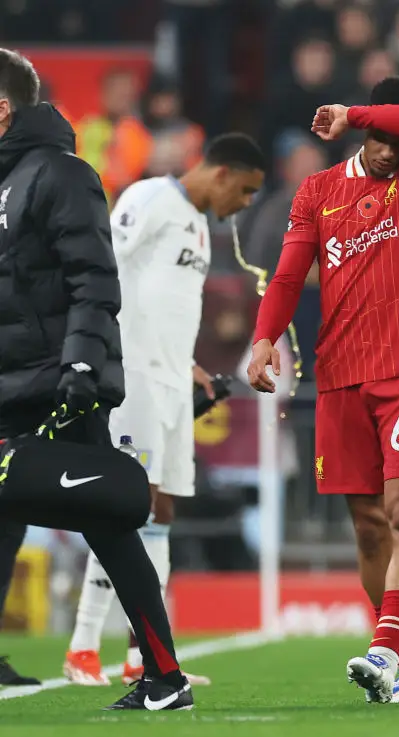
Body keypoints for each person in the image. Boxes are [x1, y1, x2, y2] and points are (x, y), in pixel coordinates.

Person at [247, 76, 399, 705]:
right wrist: (264, 338)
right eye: (382, 139)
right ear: (365, 136)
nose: (393, 150)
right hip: (340, 371)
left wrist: (354, 113)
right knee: (368, 528)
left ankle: (384, 648)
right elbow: (289, 274)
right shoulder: (318, 190)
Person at [0, 48, 192, 710]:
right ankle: (164, 675)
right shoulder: (7, 182)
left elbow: (93, 276)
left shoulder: (61, 173)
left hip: (57, 384)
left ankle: (164, 675)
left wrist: (81, 364)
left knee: (105, 522)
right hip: (11, 382)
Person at [63, 134, 266, 687]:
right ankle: (83, 646)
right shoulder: (149, 198)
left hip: (174, 381)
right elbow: (101, 268)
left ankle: (142, 655)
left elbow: (167, 304)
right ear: (222, 173)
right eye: (245, 190)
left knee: (164, 510)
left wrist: (191, 367)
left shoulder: (198, 224)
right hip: (135, 377)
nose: (245, 203)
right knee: (132, 504)